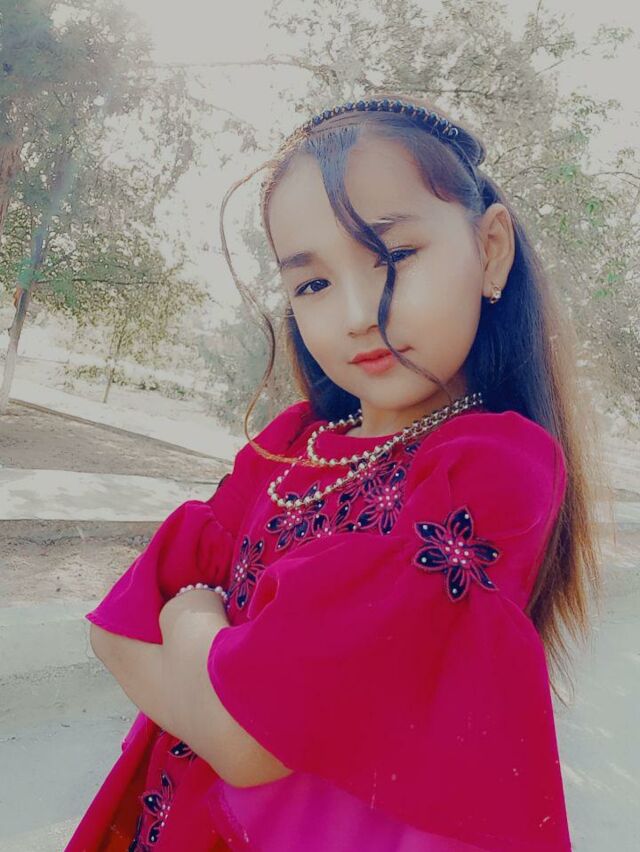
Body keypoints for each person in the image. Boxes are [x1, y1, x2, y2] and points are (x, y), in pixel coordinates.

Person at [64, 92, 606, 851]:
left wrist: (191, 629)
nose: (356, 313)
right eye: (312, 284)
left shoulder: (490, 468)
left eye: (394, 256)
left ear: (490, 249)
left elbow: (248, 743)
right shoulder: (292, 445)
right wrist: (216, 693)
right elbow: (116, 633)